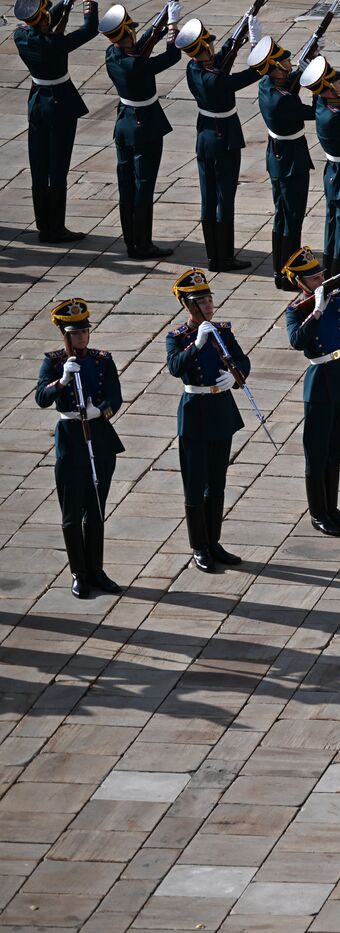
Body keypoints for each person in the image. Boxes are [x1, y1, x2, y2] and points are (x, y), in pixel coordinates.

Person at [36, 299, 124, 598]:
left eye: (85, 331)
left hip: (98, 435)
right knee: (72, 510)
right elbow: (40, 398)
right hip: (71, 436)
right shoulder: (54, 361)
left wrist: (101, 411)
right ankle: (79, 572)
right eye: (76, 333)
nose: (83, 337)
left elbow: (115, 397)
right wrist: (61, 381)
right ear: (65, 334)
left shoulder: (102, 360)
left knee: (96, 509)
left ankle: (96, 570)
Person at [283, 246, 340, 535]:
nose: (320, 279)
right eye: (313, 277)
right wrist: (317, 311)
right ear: (300, 283)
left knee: (335, 449)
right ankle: (318, 513)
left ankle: (332, 509)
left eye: (320, 273)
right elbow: (297, 341)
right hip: (320, 378)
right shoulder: (297, 311)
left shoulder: (332, 299)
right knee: (317, 451)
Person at [168, 269, 250, 572]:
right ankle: (198, 546)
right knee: (195, 482)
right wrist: (197, 345)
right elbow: (175, 368)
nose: (209, 306)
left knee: (217, 481)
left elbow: (242, 360)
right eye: (201, 302)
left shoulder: (223, 331)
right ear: (189, 307)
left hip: (220, 408)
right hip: (195, 411)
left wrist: (236, 376)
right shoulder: (177, 337)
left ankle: (213, 541)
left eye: (209, 300)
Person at [176, 16, 261, 271]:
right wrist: (257, 46)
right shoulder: (218, 79)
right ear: (205, 49)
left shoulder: (193, 68)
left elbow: (221, 58)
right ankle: (225, 257)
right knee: (225, 199)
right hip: (224, 140)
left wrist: (239, 32)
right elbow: (254, 72)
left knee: (207, 197)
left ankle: (213, 256)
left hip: (204, 138)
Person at [100, 1, 182, 259]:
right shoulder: (136, 65)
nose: (136, 34)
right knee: (143, 187)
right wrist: (172, 27)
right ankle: (143, 245)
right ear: (127, 34)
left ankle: (131, 241)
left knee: (126, 186)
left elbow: (140, 45)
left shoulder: (112, 54)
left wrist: (160, 21)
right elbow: (173, 56)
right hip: (144, 126)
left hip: (124, 124)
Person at [15, 0, 99, 243]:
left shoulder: (20, 36)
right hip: (59, 107)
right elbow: (89, 30)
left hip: (37, 104)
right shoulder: (55, 44)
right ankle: (57, 229)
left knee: (39, 169)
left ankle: (44, 225)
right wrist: (89, 4)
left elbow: (44, 23)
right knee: (57, 169)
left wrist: (64, 4)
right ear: (41, 19)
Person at [249, 34, 314, 291]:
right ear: (276, 68)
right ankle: (290, 274)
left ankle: (280, 272)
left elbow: (287, 85)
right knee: (293, 217)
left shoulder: (266, 85)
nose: (289, 61)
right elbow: (313, 112)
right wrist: (317, 84)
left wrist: (302, 69)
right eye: (285, 60)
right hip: (291, 161)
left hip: (277, 157)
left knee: (281, 216)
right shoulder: (284, 99)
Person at [300, 56, 340, 277]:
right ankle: (338, 278)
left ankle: (329, 272)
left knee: (333, 227)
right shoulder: (334, 118)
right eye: (336, 81)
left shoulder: (321, 103)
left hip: (335, 173)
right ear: (327, 86)